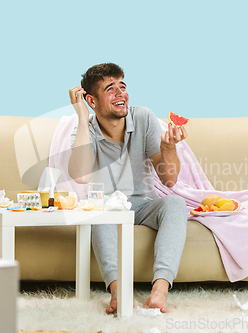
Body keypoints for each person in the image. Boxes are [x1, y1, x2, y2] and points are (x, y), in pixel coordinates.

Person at [67, 63, 188, 314]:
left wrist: (168, 149)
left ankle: (159, 292)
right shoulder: (85, 129)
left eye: (123, 86)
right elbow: (80, 176)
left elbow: (169, 181)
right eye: (110, 89)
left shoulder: (143, 117)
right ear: (91, 100)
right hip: (106, 205)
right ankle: (118, 293)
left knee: (175, 203)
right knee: (98, 210)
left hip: (143, 203)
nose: (120, 93)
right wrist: (80, 116)